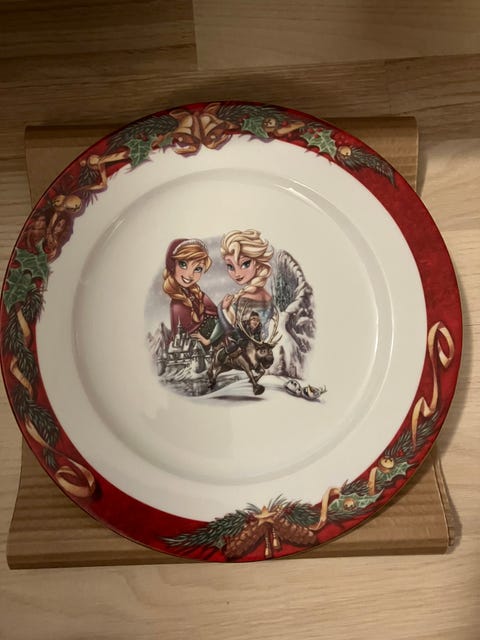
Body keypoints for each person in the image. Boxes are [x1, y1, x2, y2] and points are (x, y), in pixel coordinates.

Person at [163, 238, 217, 340]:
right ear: (173, 265)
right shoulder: (177, 305)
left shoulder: (199, 294)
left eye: (197, 269)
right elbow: (185, 338)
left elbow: (216, 315)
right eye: (183, 264)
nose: (189, 275)